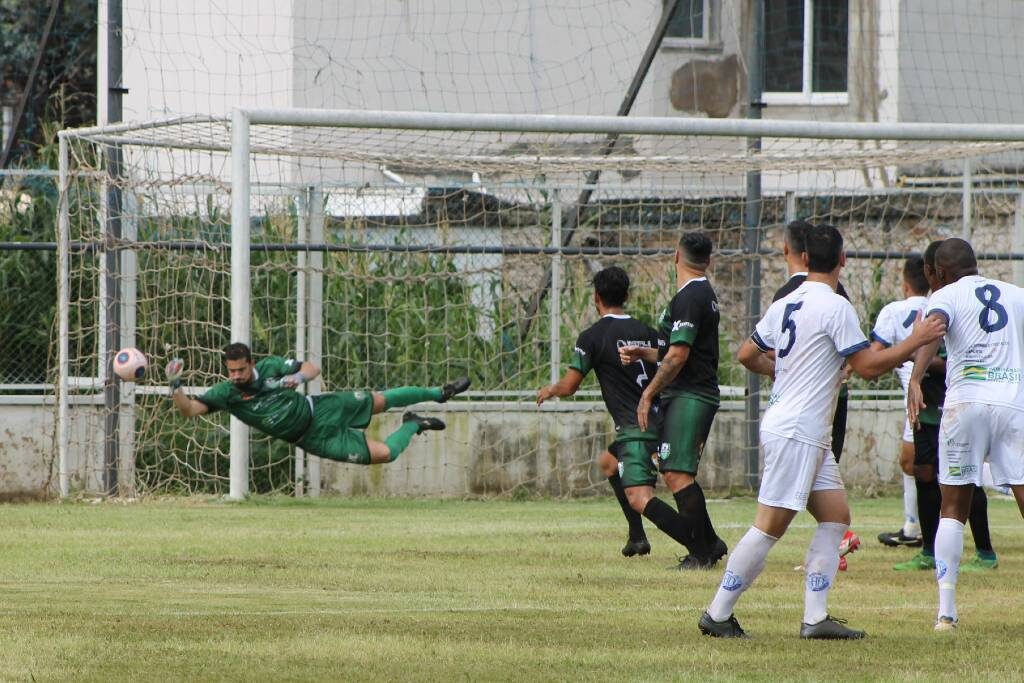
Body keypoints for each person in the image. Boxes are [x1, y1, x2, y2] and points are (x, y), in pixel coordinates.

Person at [698, 225, 945, 639]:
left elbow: (747, 353)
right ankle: (717, 613)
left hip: (801, 428)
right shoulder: (835, 305)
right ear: (844, 260)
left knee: (835, 517)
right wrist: (915, 340)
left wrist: (789, 371)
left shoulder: (787, 301)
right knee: (769, 525)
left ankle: (815, 618)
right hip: (798, 429)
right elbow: (867, 367)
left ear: (805, 258)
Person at [907, 238, 1023, 632]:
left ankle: (946, 612)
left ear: (938, 273)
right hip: (1012, 404)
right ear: (976, 264)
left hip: (965, 405)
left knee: (952, 507)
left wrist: (917, 377)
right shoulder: (1014, 294)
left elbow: (933, 330)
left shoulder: (946, 295)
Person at [167, 342, 470, 464]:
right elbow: (189, 411)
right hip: (313, 438)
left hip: (321, 407)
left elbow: (312, 368)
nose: (235, 375)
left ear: (251, 363)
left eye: (240, 370)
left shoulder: (272, 366)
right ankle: (413, 424)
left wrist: (297, 379)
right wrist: (175, 385)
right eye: (231, 371)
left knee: (380, 399)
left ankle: (438, 392)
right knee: (386, 454)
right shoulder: (226, 394)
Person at [537, 266, 663, 557]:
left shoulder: (593, 336)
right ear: (627, 296)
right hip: (660, 415)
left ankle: (695, 538)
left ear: (596, 297)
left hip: (637, 425)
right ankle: (637, 536)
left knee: (647, 491)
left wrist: (550, 390)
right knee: (608, 463)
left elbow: (570, 386)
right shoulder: (648, 332)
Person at [891, 242, 997, 574]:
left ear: (935, 271)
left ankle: (984, 551)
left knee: (966, 477)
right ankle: (927, 548)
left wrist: (917, 364)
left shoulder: (958, 302)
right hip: (929, 406)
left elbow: (950, 353)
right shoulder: (936, 306)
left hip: (957, 401)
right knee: (924, 471)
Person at [624, 231, 727, 570]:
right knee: (673, 472)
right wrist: (645, 352)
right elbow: (675, 352)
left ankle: (702, 552)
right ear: (708, 261)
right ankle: (709, 544)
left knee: (679, 474)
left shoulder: (690, 296)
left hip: (691, 394)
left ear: (675, 257)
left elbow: (679, 356)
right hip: (689, 391)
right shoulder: (700, 293)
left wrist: (647, 392)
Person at [773, 220, 861, 569]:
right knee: (826, 490)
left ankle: (719, 608)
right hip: (827, 402)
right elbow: (853, 356)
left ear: (790, 252)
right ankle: (832, 549)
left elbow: (756, 353)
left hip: (801, 411)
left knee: (771, 519)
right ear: (841, 258)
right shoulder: (839, 295)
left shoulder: (788, 298)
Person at [870, 256, 929, 549]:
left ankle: (916, 527)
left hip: (920, 400)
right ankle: (916, 527)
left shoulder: (893, 311)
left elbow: (874, 352)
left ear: (905, 285)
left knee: (912, 461)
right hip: (948, 394)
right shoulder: (939, 306)